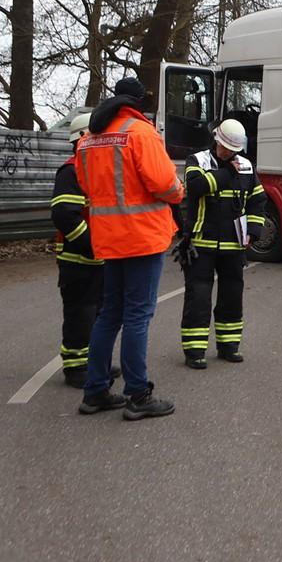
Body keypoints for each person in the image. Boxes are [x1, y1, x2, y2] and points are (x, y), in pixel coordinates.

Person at [75, 77, 185, 420]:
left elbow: (84, 183)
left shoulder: (89, 138)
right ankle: (137, 394)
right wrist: (178, 192)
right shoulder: (140, 132)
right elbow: (165, 183)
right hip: (142, 236)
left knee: (110, 314)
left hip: (109, 237)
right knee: (138, 316)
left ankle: (95, 392)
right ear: (138, 101)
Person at [177, 119, 266, 369]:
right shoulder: (197, 161)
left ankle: (229, 346)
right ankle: (195, 351)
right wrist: (227, 173)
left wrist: (254, 231)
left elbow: (258, 200)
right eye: (227, 148)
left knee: (232, 296)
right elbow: (196, 187)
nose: (230, 154)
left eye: (234, 150)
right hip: (201, 242)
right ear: (217, 141)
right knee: (199, 296)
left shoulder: (247, 166)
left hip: (233, 245)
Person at [50, 113, 107, 389]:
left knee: (98, 313)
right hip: (78, 259)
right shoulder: (71, 171)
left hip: (99, 258)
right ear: (84, 139)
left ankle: (94, 362)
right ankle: (75, 367)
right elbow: (65, 215)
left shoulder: (94, 170)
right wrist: (91, 244)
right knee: (80, 314)